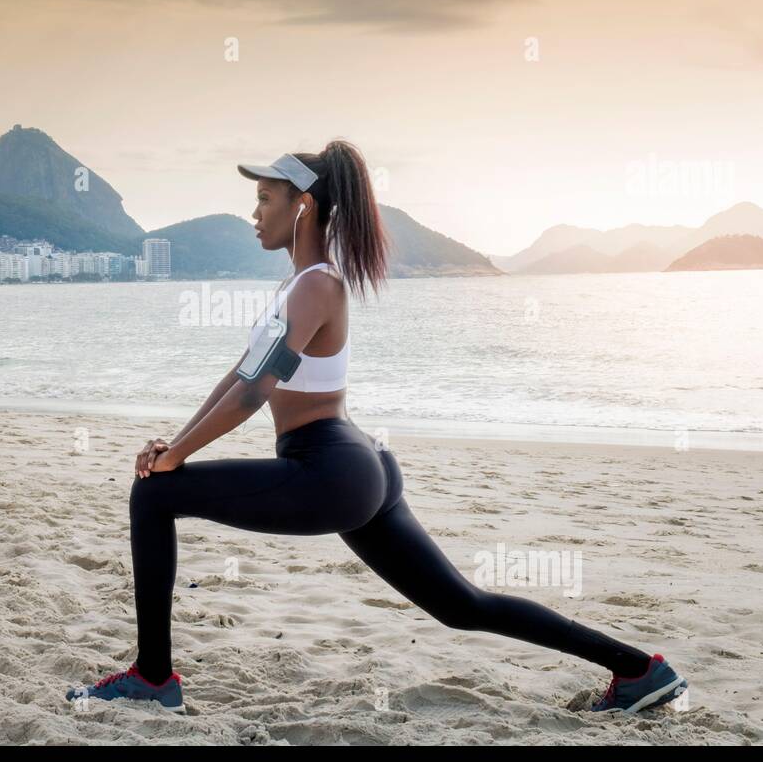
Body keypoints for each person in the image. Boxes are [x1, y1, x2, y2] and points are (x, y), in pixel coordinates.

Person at [66, 140, 688, 718]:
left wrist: (172, 461)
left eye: (264, 199)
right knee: (461, 606)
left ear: (302, 206)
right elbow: (237, 375)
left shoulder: (317, 286)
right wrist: (173, 445)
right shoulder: (299, 285)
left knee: (153, 497)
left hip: (327, 469)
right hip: (359, 466)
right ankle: (639, 671)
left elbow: (257, 393)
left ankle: (153, 679)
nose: (254, 213)